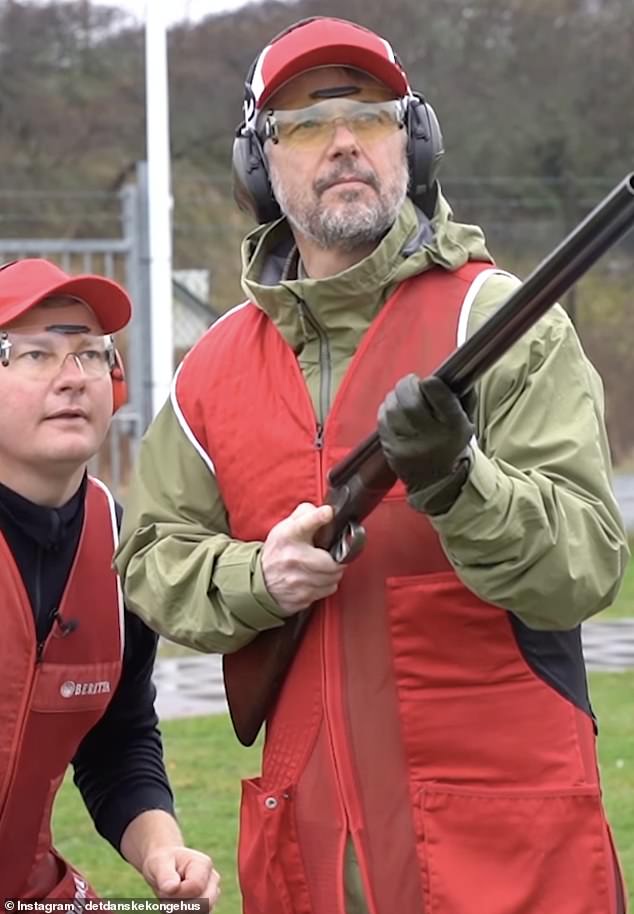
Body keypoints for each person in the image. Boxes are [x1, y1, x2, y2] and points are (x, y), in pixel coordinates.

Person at [115, 16, 629, 914]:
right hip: (311, 861)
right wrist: (258, 577)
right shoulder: (212, 368)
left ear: (413, 142)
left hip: (503, 860)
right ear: (257, 166)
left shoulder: (499, 320)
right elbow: (149, 559)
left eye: (375, 117)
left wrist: (460, 484)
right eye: (308, 125)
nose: (347, 142)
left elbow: (583, 567)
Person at [0, 259, 220, 906]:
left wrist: (162, 850)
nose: (73, 379)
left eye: (92, 356)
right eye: (36, 354)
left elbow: (118, 740)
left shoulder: (122, 547)